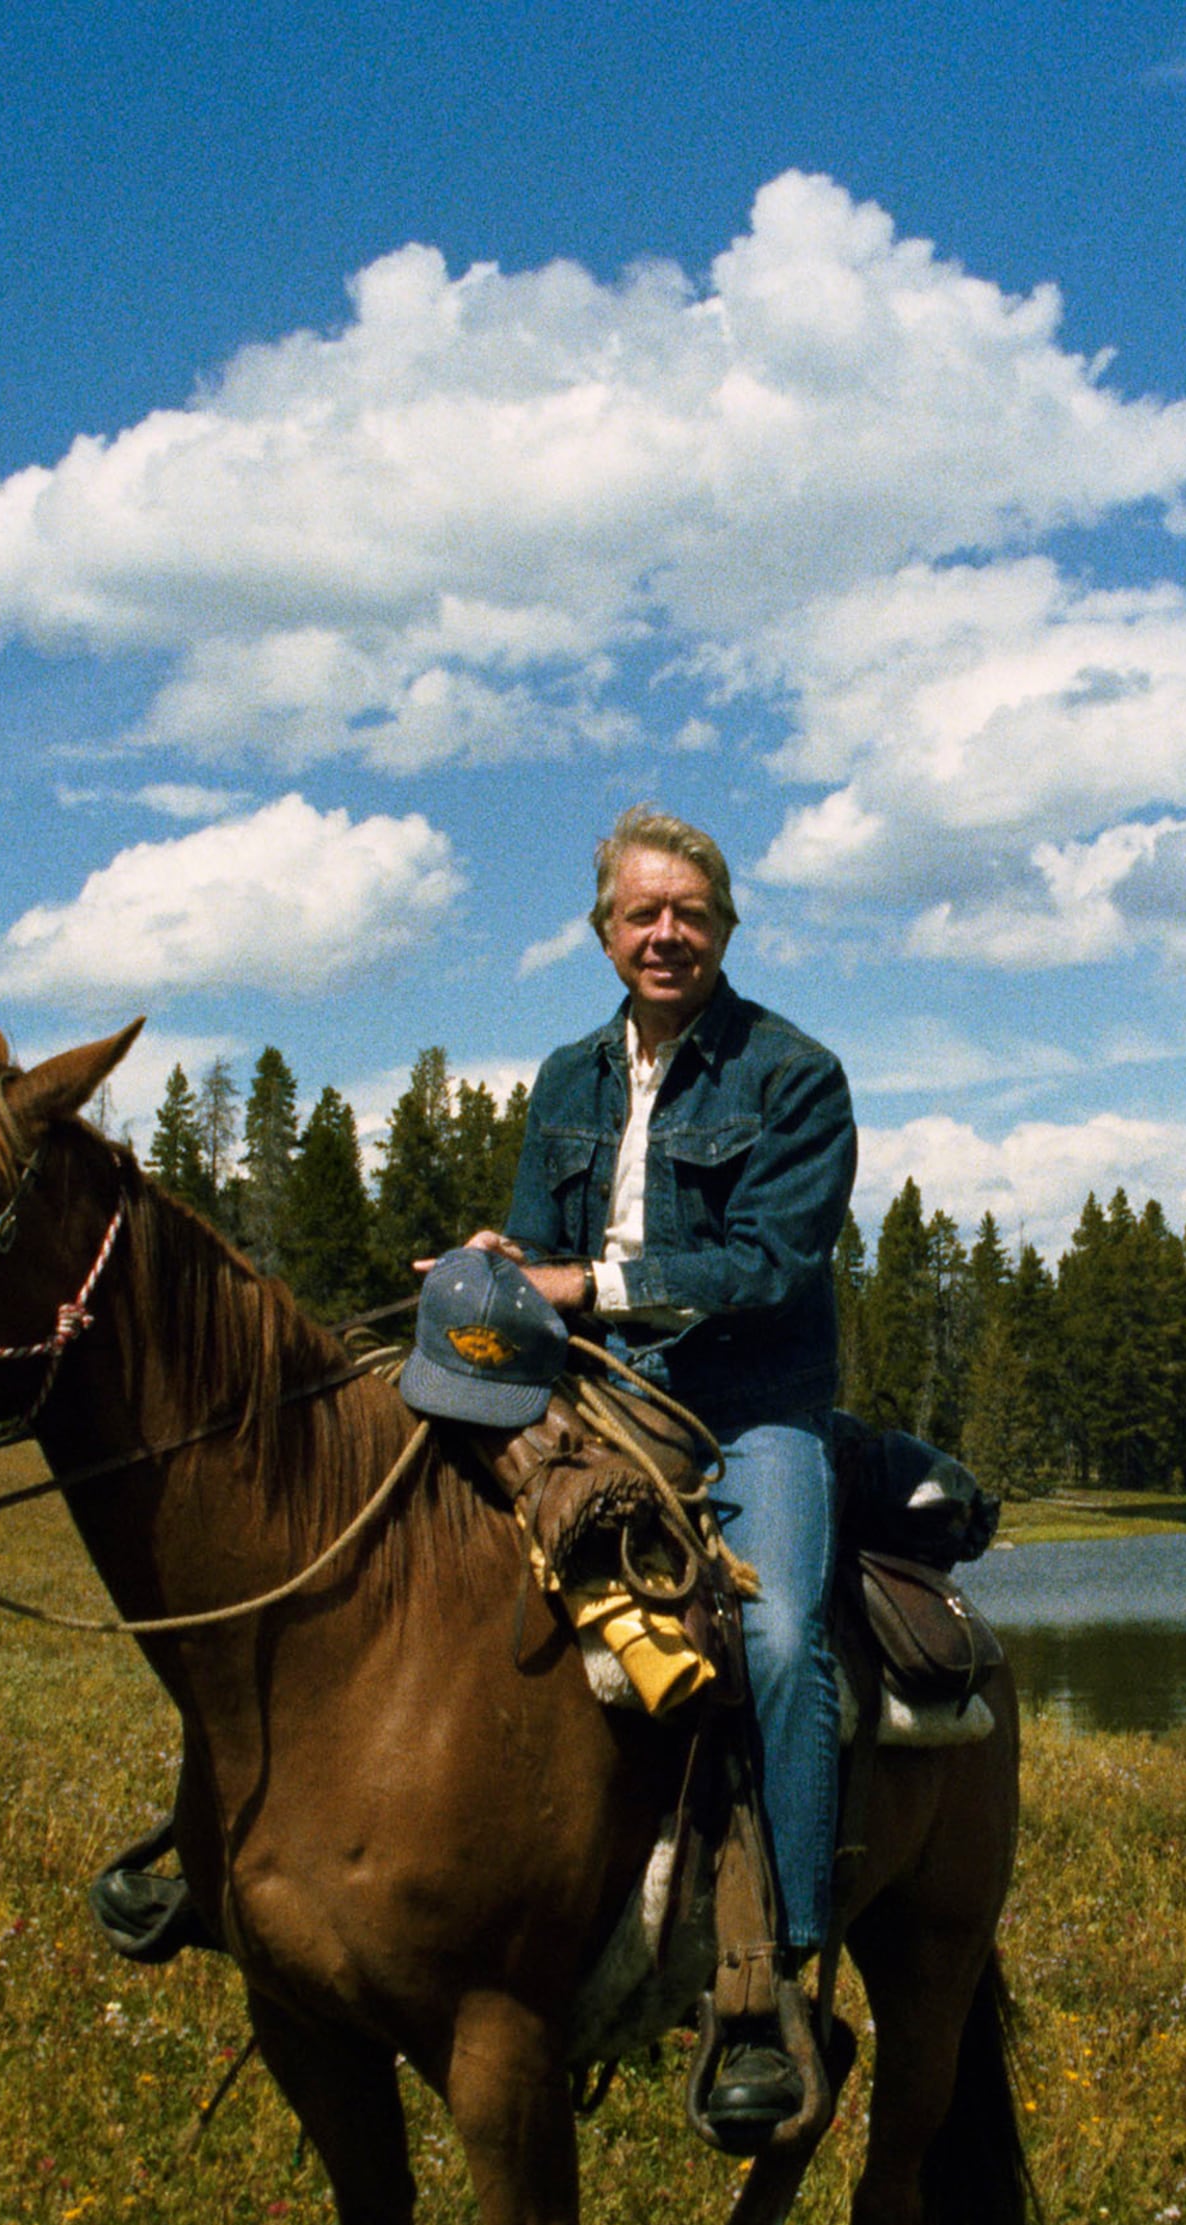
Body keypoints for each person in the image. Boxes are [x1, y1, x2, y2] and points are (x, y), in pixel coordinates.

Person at [477, 806, 854, 2132]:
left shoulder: (793, 1074)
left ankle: (780, 1978)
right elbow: (536, 1249)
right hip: (595, 1393)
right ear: (603, 931)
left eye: (690, 912)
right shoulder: (566, 1079)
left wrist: (589, 1281)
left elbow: (769, 1266)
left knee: (786, 1634)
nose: (666, 933)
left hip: (750, 1401)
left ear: (727, 927)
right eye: (641, 913)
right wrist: (503, 1269)